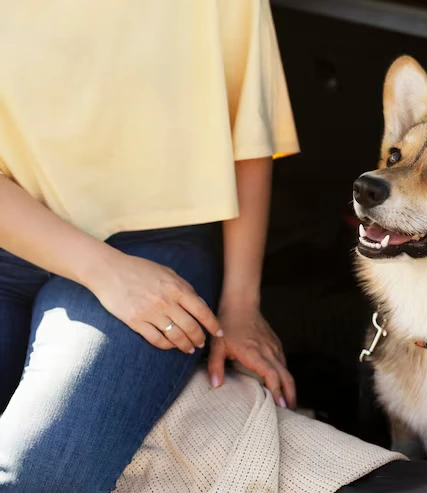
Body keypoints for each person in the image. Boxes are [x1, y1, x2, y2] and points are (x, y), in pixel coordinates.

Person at [0, 0, 299, 491]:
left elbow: (247, 135)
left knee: (39, 472)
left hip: (155, 246)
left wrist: (242, 303)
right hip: (14, 236)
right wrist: (105, 271)